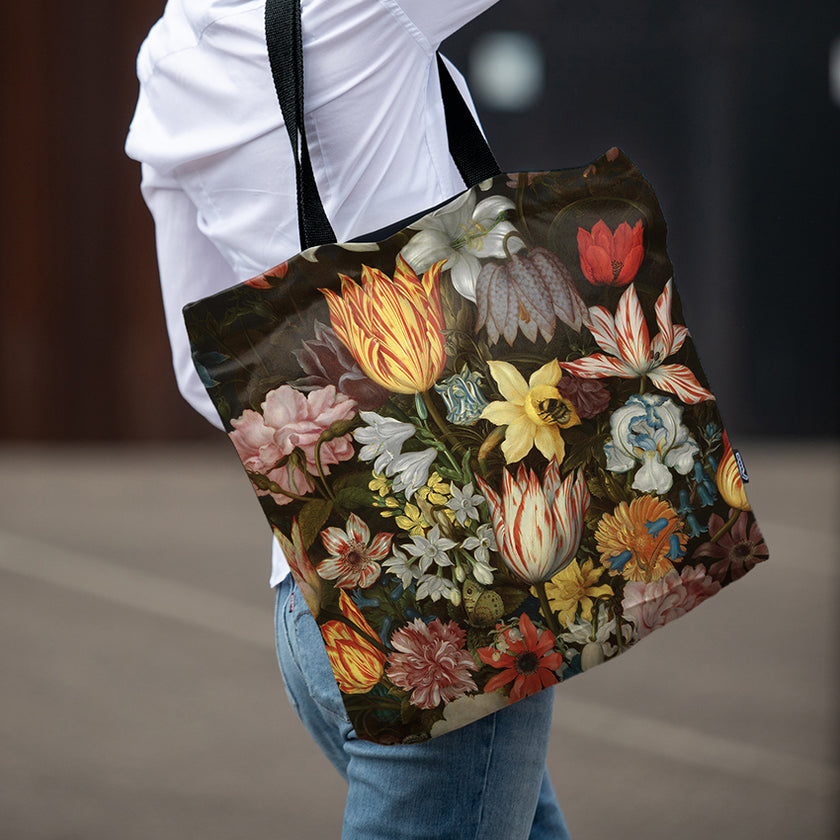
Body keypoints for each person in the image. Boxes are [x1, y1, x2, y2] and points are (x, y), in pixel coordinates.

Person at [126, 2, 573, 837]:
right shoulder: (358, 6)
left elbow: (202, 373)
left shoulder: (168, 55)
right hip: (450, 580)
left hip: (315, 593)